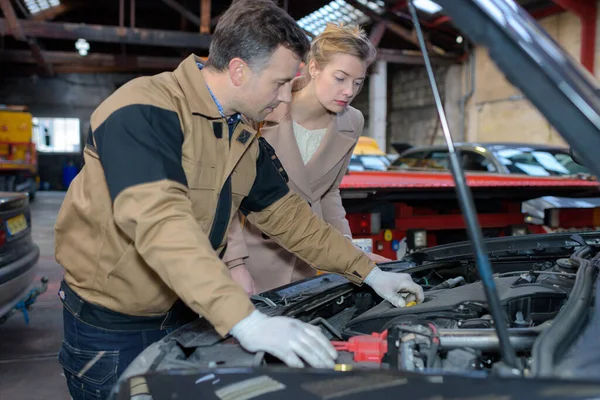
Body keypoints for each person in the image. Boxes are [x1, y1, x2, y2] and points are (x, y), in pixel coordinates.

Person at [54, 1, 424, 398]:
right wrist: (245, 320)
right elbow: (160, 224)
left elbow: (290, 218)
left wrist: (368, 271)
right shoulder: (143, 110)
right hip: (114, 326)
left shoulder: (240, 130)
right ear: (238, 70)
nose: (285, 99)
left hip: (190, 312)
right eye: (280, 83)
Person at [224, 23, 390, 295]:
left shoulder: (353, 122)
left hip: (306, 262)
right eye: (340, 78)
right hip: (250, 260)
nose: (349, 90)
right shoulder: (263, 109)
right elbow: (227, 193)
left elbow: (327, 193)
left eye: (358, 82)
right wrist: (234, 264)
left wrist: (347, 252)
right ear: (314, 68)